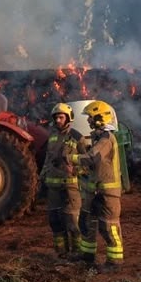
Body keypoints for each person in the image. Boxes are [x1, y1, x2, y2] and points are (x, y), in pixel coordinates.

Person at [67, 100, 124, 273]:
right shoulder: (99, 138)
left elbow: (92, 158)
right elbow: (94, 166)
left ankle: (114, 262)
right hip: (95, 190)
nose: (88, 121)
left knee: (108, 226)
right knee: (87, 223)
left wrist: (72, 158)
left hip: (107, 192)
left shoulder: (106, 139)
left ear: (100, 118)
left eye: (91, 118)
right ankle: (87, 255)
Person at [41, 103, 88, 259]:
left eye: (61, 117)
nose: (58, 120)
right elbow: (47, 160)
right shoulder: (52, 137)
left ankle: (77, 253)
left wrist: (75, 170)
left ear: (68, 118)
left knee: (72, 222)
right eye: (56, 118)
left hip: (70, 187)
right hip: (53, 188)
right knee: (55, 221)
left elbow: (87, 164)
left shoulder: (77, 137)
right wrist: (42, 178)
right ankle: (61, 253)